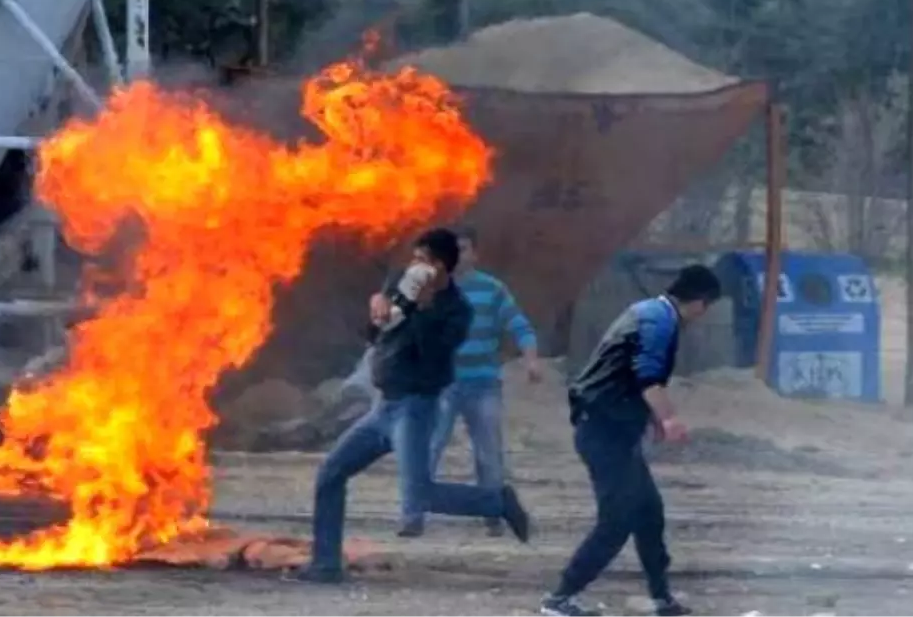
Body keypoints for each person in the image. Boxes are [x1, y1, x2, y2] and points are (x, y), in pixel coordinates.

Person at [294, 227, 532, 585]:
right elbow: (376, 337)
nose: (416, 266)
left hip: (416, 409)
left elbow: (433, 354)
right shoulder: (400, 286)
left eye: (425, 261)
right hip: (383, 407)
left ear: (443, 268)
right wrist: (377, 310)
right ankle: (326, 564)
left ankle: (497, 502)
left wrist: (422, 309)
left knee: (420, 495)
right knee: (330, 474)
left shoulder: (456, 311)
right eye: (415, 259)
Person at [540, 264, 723, 617]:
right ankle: (560, 598)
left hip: (611, 428)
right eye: (706, 308)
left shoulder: (647, 311)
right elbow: (647, 376)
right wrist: (668, 419)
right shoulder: (660, 321)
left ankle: (661, 599)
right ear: (700, 302)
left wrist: (651, 418)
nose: (702, 316)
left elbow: (630, 374)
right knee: (617, 520)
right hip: (604, 431)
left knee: (649, 512)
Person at [400, 227, 539, 538]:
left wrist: (531, 360)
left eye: (463, 250)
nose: (457, 256)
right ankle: (413, 516)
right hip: (441, 385)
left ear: (475, 254)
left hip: (483, 385)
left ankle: (493, 513)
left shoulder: (492, 289)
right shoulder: (428, 289)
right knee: (427, 449)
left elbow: (519, 325)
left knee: (488, 452)